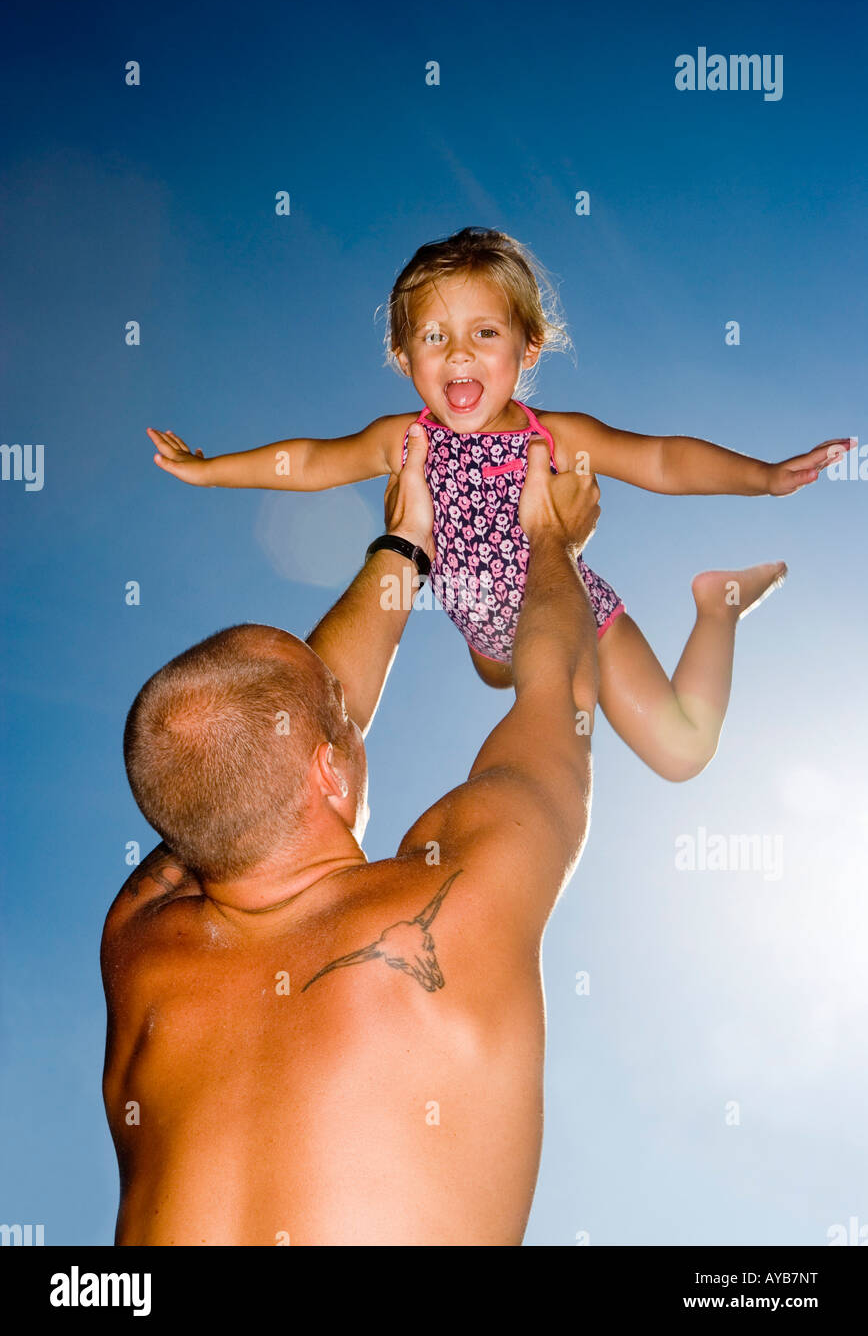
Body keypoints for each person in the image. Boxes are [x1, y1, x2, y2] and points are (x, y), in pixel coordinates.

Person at [102, 426, 601, 1246]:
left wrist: (407, 543)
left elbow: (237, 773)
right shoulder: (459, 899)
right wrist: (552, 537)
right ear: (331, 772)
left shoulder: (139, 942)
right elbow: (559, 694)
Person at [144, 226, 852, 782]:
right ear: (402, 355)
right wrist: (209, 471)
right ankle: (508, 652)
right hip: (487, 639)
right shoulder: (405, 439)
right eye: (434, 337)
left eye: (485, 334)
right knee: (495, 671)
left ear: (528, 348)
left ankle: (717, 605)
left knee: (682, 752)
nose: (459, 355)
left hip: (580, 617)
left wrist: (763, 476)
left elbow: (661, 458)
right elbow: (309, 461)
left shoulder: (556, 437)